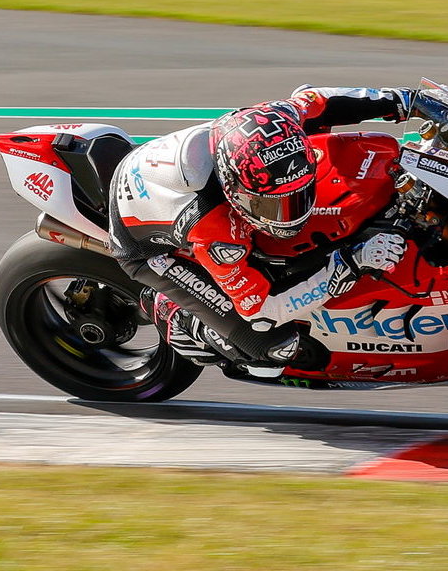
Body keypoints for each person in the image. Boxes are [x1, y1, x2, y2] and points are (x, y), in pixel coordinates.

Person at [107, 85, 412, 377]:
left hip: (178, 168)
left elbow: (318, 99)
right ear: (234, 190)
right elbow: (263, 310)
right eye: (274, 207)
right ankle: (172, 312)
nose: (293, 214)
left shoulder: (275, 118)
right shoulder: (213, 228)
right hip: (144, 245)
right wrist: (353, 263)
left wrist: (405, 100)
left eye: (301, 197)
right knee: (270, 348)